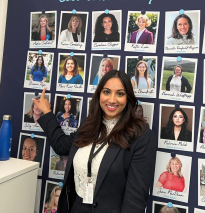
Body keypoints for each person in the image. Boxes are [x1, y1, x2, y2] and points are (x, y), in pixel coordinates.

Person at [33, 70, 155, 213]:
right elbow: (62, 145)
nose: (112, 100)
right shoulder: (89, 125)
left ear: (128, 98)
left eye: (120, 94)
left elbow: (135, 201)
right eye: (107, 92)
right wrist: (47, 113)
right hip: (76, 207)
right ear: (99, 95)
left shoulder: (140, 135)